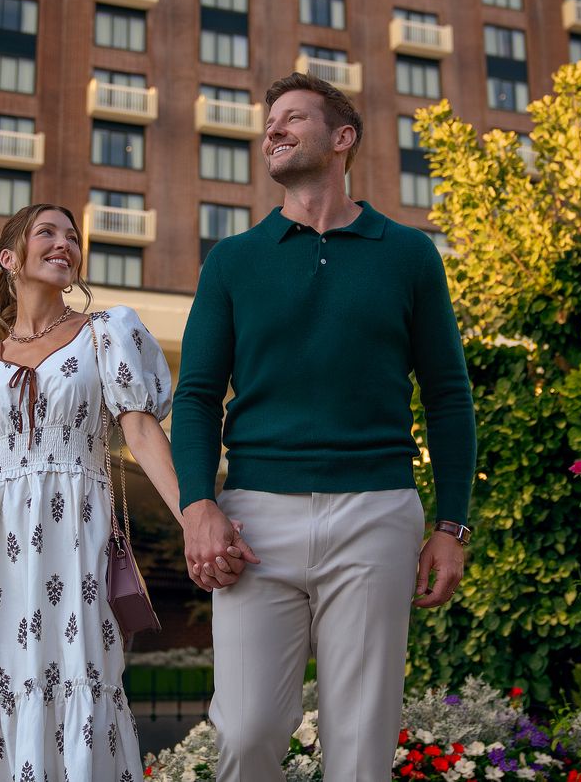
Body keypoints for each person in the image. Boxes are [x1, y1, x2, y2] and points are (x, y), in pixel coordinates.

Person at [170, 73, 478, 782]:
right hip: (254, 521)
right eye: (269, 122)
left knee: (360, 745)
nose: (272, 130)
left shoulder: (408, 254)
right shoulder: (233, 260)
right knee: (247, 730)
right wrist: (197, 505)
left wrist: (452, 526)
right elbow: (197, 396)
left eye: (292, 118)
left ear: (342, 138)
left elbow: (447, 396)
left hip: (375, 513)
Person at [0, 203, 183, 782]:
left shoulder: (106, 333)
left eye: (72, 237)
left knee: (78, 674)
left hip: (70, 537)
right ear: (10, 258)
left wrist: (195, 518)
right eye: (47, 233)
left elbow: (139, 429)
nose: (64, 244)